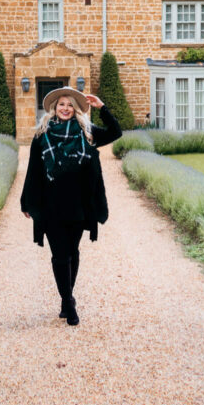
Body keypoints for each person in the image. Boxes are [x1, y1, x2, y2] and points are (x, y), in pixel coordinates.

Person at [20, 87, 122, 326]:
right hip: (51, 204)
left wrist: (102, 107)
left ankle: (67, 298)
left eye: (69, 105)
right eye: (61, 105)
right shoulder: (42, 135)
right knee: (59, 255)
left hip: (79, 204)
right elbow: (33, 170)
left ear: (75, 109)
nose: (65, 108)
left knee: (73, 252)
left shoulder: (87, 133)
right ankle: (68, 302)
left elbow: (116, 132)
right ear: (55, 109)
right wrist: (26, 201)